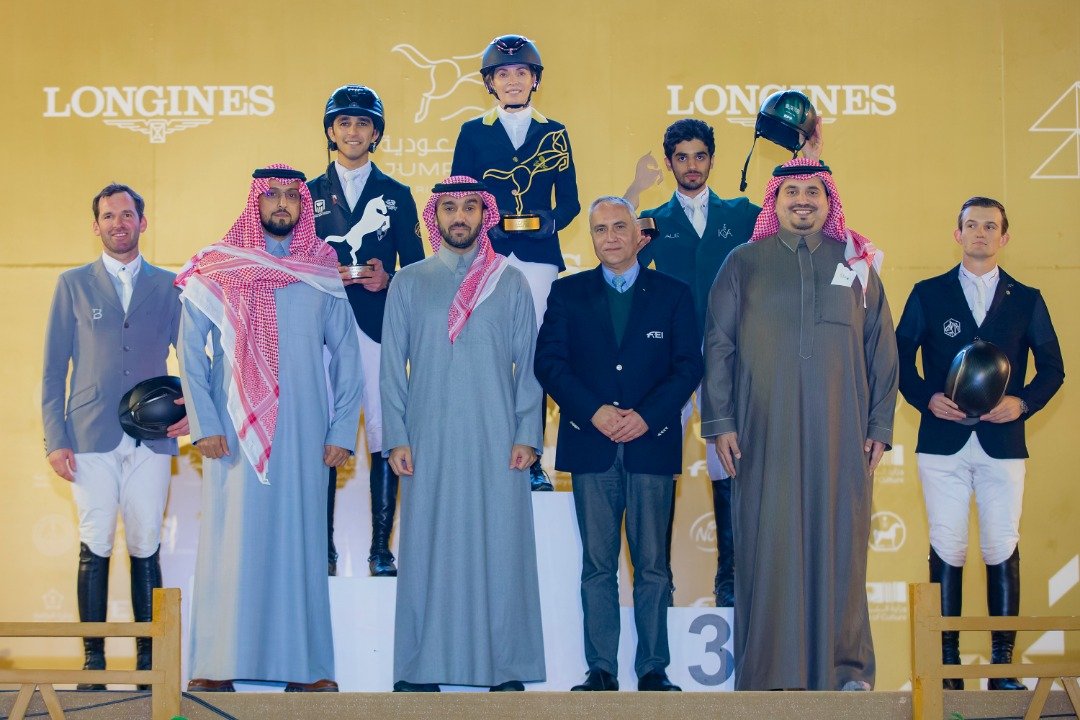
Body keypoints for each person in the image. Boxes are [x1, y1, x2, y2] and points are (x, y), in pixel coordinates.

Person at [701, 157, 898, 691]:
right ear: (775, 201)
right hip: (762, 433)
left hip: (843, 433)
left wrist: (880, 425)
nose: (803, 200)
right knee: (768, 546)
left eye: (813, 191)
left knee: (842, 547)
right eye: (792, 192)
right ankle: (769, 673)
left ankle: (846, 671)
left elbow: (882, 347)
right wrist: (721, 422)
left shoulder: (856, 264)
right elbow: (718, 346)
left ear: (829, 200)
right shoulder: (743, 263)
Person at [178, 165, 362, 693]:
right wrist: (205, 422)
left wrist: (341, 430)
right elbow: (189, 351)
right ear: (255, 201)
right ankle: (215, 665)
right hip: (233, 428)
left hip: (304, 427)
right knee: (230, 542)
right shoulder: (219, 265)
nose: (282, 204)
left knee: (301, 544)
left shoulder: (320, 266)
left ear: (303, 205)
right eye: (272, 195)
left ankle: (306, 669)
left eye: (291, 196)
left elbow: (346, 354)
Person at [381, 176, 545, 692]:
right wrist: (397, 436)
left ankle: (503, 669)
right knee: (426, 550)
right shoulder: (410, 281)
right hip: (426, 437)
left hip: (497, 437)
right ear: (436, 216)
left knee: (500, 547)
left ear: (484, 214)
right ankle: (420, 669)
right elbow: (391, 367)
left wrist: (528, 434)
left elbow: (530, 365)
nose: (459, 216)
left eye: (469, 207)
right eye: (449, 207)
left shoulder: (510, 281)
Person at [896, 196, 1064, 690]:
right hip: (942, 443)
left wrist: (1023, 403)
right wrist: (926, 397)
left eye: (991, 226)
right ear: (958, 234)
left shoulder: (1026, 299)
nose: (981, 233)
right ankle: (947, 668)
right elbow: (898, 360)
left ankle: (1002, 668)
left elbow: (1053, 369)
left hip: (1002, 443)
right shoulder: (928, 293)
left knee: (1000, 543)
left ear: (1004, 237)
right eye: (972, 225)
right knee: (947, 542)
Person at [535, 196, 702, 692]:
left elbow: (688, 366)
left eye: (619, 227)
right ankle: (601, 670)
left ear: (639, 235)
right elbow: (549, 364)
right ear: (591, 236)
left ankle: (653, 668)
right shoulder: (567, 293)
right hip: (592, 444)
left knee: (653, 566)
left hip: (653, 444)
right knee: (597, 566)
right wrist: (595, 411)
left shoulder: (674, 293)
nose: (609, 237)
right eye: (600, 229)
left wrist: (646, 417)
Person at [42, 183, 187, 689]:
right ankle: (93, 664)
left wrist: (195, 412)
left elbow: (192, 357)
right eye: (108, 216)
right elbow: (52, 370)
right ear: (96, 225)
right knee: (96, 541)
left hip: (153, 436)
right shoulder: (71, 285)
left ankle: (150, 665)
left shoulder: (171, 285)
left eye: (127, 215)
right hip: (88, 435)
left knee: (147, 541)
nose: (118, 223)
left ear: (142, 222)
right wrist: (54, 438)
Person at [451, 33, 580, 491]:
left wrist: (549, 222)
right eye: (503, 74)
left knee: (534, 355)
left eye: (521, 72)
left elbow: (571, 202)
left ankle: (532, 456)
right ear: (490, 82)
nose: (512, 81)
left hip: (538, 259)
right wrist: (487, 226)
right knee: (484, 352)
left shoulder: (555, 132)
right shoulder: (472, 132)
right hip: (487, 256)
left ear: (535, 79)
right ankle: (484, 451)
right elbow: (458, 197)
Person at [308, 84, 424, 577]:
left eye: (363, 123)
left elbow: (418, 269)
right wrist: (322, 275)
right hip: (322, 334)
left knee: (383, 433)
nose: (353, 131)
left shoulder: (398, 194)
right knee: (322, 434)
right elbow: (288, 266)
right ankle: (321, 548)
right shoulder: (306, 193)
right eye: (344, 123)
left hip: (378, 328)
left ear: (376, 133)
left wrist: (388, 278)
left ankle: (380, 548)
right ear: (331, 131)